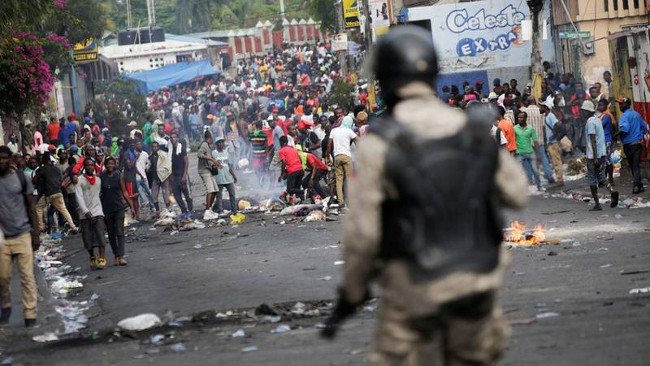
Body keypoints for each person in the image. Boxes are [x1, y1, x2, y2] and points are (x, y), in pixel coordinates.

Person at [321, 26, 528, 365]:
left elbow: (362, 233)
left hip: (414, 290)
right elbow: (517, 193)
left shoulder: (379, 143)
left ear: (385, 80)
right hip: (474, 286)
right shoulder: (468, 129)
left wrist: (353, 292)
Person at [0, 146, 40, 327]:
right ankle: (6, 305)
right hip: (2, 238)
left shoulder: (20, 178)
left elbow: (31, 206)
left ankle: (30, 315)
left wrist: (36, 233)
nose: (1, 161)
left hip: (23, 234)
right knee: (3, 277)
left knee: (27, 277)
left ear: (10, 160)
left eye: (4, 158)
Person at [582, 100, 619, 210]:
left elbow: (593, 140)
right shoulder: (597, 120)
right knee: (602, 177)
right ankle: (612, 192)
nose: (582, 113)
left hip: (594, 156)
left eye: (583, 111)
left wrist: (595, 157)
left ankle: (597, 204)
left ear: (587, 112)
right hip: (601, 154)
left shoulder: (590, 122)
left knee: (592, 180)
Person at [33, 153, 79, 233]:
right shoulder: (56, 169)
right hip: (58, 192)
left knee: (38, 208)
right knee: (64, 210)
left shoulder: (42, 169)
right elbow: (61, 180)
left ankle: (41, 227)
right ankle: (73, 227)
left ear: (44, 160)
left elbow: (35, 179)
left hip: (48, 194)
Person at [100, 156, 133, 266]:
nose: (110, 165)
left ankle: (121, 256)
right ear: (105, 164)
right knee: (111, 233)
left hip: (118, 208)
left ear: (115, 165)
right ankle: (116, 255)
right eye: (108, 163)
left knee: (120, 231)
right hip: (107, 209)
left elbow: (125, 192)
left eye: (112, 163)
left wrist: (131, 206)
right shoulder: (102, 176)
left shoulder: (119, 175)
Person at [75, 158, 107, 270]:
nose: (90, 167)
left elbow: (99, 195)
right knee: (87, 238)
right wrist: (85, 211)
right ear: (84, 166)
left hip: (97, 211)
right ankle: (92, 256)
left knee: (100, 235)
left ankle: (102, 258)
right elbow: (79, 196)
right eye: (88, 165)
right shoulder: (79, 180)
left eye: (92, 165)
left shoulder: (98, 180)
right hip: (85, 213)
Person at [617, 97, 648, 193]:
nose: (620, 106)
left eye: (621, 104)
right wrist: (639, 135)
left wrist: (616, 134)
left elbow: (625, 128)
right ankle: (640, 185)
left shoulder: (624, 116)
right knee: (635, 165)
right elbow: (644, 128)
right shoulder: (637, 115)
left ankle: (636, 186)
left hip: (628, 145)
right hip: (637, 144)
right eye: (620, 104)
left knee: (633, 165)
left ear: (627, 105)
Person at [521, 97, 555, 183]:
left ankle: (529, 178)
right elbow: (543, 126)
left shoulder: (524, 112)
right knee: (543, 158)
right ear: (535, 101)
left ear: (527, 102)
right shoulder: (540, 112)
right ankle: (549, 175)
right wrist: (544, 138)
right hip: (539, 139)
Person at [326, 116, 358, 208]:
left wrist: (328, 157)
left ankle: (341, 202)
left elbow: (329, 145)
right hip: (347, 156)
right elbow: (357, 141)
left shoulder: (334, 130)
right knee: (349, 180)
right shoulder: (349, 131)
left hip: (337, 157)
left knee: (339, 180)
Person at [515, 111, 543, 191]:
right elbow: (512, 140)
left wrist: (538, 154)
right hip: (519, 153)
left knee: (535, 170)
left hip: (530, 152)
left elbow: (535, 141)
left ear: (525, 118)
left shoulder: (530, 129)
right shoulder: (515, 128)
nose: (519, 119)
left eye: (521, 117)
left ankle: (539, 186)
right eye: (518, 117)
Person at [170, 132, 193, 221]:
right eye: (171, 138)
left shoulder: (181, 149)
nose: (173, 139)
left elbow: (186, 162)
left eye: (174, 137)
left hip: (181, 174)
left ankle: (190, 210)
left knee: (186, 194)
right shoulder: (171, 150)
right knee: (177, 195)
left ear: (177, 138)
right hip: (175, 176)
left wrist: (184, 175)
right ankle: (184, 211)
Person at [541, 101, 565, 187]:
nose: (540, 108)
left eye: (542, 107)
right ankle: (559, 178)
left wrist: (553, 136)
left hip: (553, 143)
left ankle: (560, 180)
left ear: (546, 107)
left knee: (556, 161)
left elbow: (557, 124)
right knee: (554, 161)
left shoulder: (550, 116)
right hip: (551, 142)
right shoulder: (547, 116)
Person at [197, 130, 220, 220]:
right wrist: (210, 159)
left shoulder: (208, 146)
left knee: (215, 190)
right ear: (210, 137)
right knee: (210, 190)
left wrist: (215, 162)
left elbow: (210, 158)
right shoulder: (204, 145)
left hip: (209, 170)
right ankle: (207, 212)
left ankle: (209, 209)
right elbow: (199, 154)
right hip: (204, 171)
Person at [212, 137, 238, 214]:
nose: (221, 144)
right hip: (218, 178)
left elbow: (229, 166)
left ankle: (234, 210)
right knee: (219, 196)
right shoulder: (213, 153)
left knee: (232, 194)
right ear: (216, 144)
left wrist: (234, 176)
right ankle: (221, 211)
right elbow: (211, 165)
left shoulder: (226, 153)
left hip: (228, 177)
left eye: (222, 142)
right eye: (219, 142)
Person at [147, 141, 172, 218]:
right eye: (153, 147)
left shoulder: (163, 155)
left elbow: (168, 165)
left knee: (166, 194)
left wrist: (167, 175)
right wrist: (147, 168)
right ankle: (157, 211)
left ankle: (168, 209)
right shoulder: (151, 156)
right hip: (155, 178)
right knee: (154, 195)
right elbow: (149, 165)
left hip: (163, 177)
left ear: (158, 147)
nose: (154, 148)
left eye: (156, 146)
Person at [278, 136, 304, 204]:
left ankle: (303, 191)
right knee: (293, 188)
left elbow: (283, 162)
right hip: (300, 170)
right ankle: (290, 201)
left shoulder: (282, 151)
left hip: (293, 171)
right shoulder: (293, 149)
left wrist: (282, 174)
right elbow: (300, 160)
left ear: (281, 143)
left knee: (290, 189)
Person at [597, 99, 615, 185]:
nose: (599, 107)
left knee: (608, 160)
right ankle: (605, 178)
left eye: (601, 105)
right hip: (603, 140)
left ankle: (610, 179)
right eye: (598, 105)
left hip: (607, 140)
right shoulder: (603, 115)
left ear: (606, 105)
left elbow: (599, 125)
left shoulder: (607, 116)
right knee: (604, 160)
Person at [135, 140, 156, 215]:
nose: (139, 145)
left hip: (144, 176)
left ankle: (152, 206)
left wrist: (147, 168)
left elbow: (149, 162)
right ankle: (143, 209)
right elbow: (133, 166)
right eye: (137, 144)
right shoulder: (133, 154)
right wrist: (136, 158)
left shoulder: (145, 154)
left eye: (140, 144)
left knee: (148, 192)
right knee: (140, 193)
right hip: (136, 177)